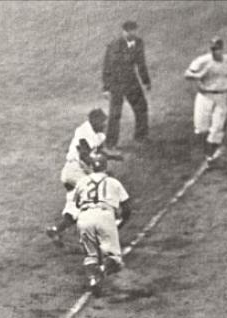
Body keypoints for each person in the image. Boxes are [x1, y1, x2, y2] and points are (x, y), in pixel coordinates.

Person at [45, 108, 113, 243]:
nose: (104, 125)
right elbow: (84, 155)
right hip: (74, 170)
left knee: (73, 206)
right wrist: (98, 170)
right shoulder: (84, 131)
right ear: (93, 121)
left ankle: (56, 230)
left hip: (77, 172)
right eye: (102, 122)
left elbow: (99, 150)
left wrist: (113, 156)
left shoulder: (99, 134)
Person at [73, 152, 131, 296]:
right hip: (105, 216)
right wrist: (120, 222)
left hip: (84, 217)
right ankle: (102, 270)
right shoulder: (114, 182)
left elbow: (77, 203)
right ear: (105, 166)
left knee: (90, 255)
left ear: (91, 166)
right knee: (115, 259)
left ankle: (93, 279)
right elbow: (127, 209)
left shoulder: (82, 181)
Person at [184, 37, 227, 164]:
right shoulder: (202, 61)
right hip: (204, 97)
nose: (216, 52)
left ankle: (211, 155)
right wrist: (197, 75)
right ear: (211, 49)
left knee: (217, 127)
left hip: (221, 96)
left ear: (222, 49)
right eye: (213, 49)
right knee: (201, 128)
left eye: (218, 49)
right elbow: (187, 74)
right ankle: (208, 151)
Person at [101, 20, 151, 153]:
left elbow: (141, 63)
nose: (132, 33)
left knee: (141, 107)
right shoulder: (114, 45)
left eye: (134, 30)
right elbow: (107, 67)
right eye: (129, 31)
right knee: (115, 114)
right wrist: (106, 88)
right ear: (124, 32)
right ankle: (110, 145)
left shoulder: (139, 43)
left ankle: (141, 137)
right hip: (116, 83)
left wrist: (146, 81)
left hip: (131, 82)